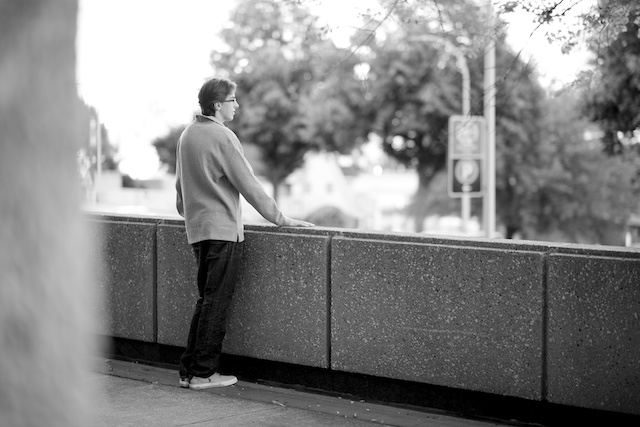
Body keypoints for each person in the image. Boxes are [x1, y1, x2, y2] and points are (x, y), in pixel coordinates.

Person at [175, 77, 314, 390]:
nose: (237, 105)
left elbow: (180, 191)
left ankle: (188, 371)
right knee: (216, 303)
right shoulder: (223, 137)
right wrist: (280, 219)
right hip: (223, 232)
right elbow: (249, 185)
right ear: (217, 104)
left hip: (198, 231)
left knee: (205, 301)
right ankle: (204, 374)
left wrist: (194, 214)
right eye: (232, 100)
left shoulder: (187, 135)